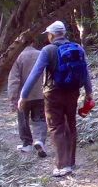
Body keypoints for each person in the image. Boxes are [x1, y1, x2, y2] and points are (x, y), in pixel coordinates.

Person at [18, 21, 93, 177]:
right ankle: (71, 162)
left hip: (53, 94)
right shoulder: (78, 48)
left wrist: (23, 96)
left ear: (51, 35)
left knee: (56, 126)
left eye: (48, 34)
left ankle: (62, 165)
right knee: (71, 124)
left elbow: (35, 74)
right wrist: (89, 93)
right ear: (63, 33)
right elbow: (85, 72)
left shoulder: (48, 50)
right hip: (73, 92)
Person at [8, 45, 47, 157]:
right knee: (40, 118)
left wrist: (13, 98)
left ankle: (27, 144)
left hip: (23, 96)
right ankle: (40, 141)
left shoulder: (18, 56)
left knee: (23, 119)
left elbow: (14, 79)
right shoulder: (41, 54)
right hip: (40, 93)